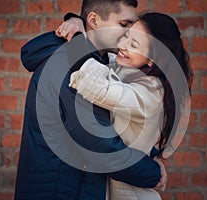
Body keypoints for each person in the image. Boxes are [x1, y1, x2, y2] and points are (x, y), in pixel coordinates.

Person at [14, 1, 167, 199]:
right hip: (61, 191)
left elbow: (114, 121)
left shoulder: (94, 64)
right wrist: (153, 173)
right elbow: (101, 146)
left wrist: (149, 152)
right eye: (124, 24)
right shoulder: (71, 69)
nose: (130, 33)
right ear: (94, 20)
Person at [65, 12, 193, 200]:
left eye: (134, 44)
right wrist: (76, 20)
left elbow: (98, 85)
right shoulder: (129, 69)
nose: (122, 45)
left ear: (153, 60)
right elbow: (101, 54)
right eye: (127, 35)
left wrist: (76, 38)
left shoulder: (152, 92)